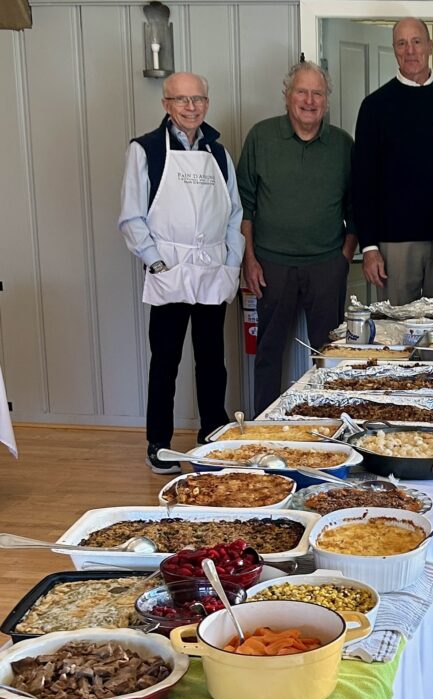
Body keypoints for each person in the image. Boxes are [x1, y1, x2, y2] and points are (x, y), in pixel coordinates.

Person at [118, 72, 242, 474]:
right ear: (166, 104)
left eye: (198, 99)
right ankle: (159, 443)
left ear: (207, 102)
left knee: (212, 359)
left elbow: (235, 213)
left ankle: (211, 432)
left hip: (210, 268)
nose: (191, 107)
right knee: (165, 359)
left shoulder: (219, 153)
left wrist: (231, 263)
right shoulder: (146, 150)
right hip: (168, 269)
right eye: (182, 100)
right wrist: (156, 262)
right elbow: (132, 216)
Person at [237, 61, 356, 413]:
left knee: (329, 355)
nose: (309, 100)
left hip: (326, 264)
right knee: (269, 351)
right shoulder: (261, 136)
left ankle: (328, 425)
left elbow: (358, 206)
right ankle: (263, 427)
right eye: (301, 91)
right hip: (271, 265)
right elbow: (243, 204)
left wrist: (344, 259)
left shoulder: (342, 145)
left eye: (317, 93)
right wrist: (250, 259)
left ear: (327, 100)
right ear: (288, 96)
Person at [352, 17, 433, 306]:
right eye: (402, 43)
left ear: (430, 46)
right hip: (394, 245)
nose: (410, 50)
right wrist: (369, 246)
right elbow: (363, 183)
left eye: (417, 41)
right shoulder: (375, 106)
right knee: (398, 333)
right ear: (394, 49)